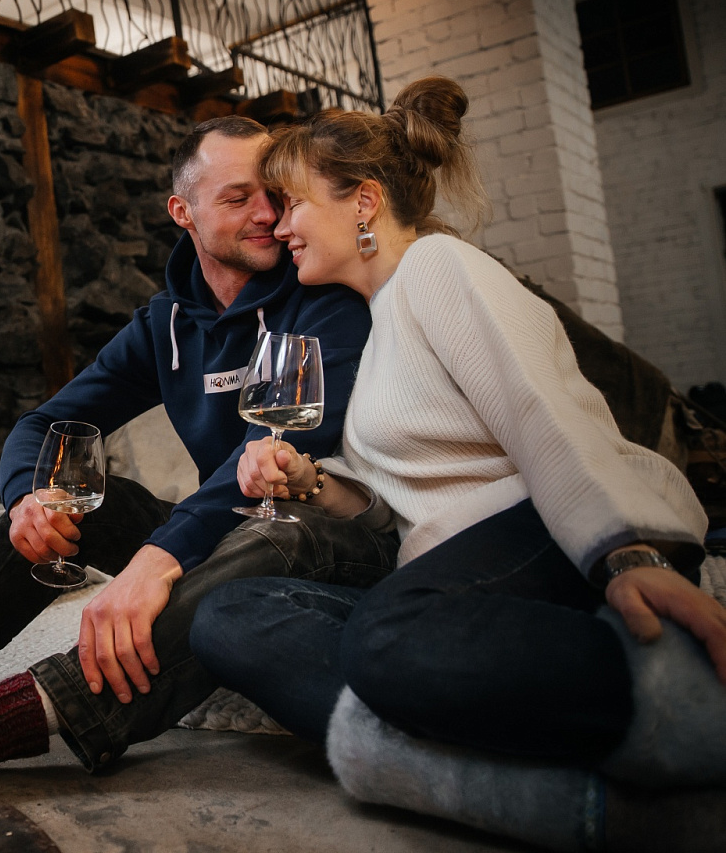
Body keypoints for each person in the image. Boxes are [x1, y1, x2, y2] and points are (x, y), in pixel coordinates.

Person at [0, 115, 389, 789]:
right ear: (182, 212)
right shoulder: (165, 322)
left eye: (274, 194)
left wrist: (157, 563)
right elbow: (47, 424)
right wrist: (31, 499)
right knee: (81, 501)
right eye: (235, 198)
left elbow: (279, 452)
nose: (265, 215)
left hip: (329, 536)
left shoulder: (323, 297)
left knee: (260, 532)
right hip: (231, 529)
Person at [189, 76, 726, 852]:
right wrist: (311, 481)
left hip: (552, 529)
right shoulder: (380, 325)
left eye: (294, 201)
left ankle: (687, 710)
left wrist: (624, 551)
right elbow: (390, 501)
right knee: (232, 618)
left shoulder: (442, 268)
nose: (280, 222)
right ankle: (592, 805)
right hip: (458, 583)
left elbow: (540, 409)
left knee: (388, 635)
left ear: (364, 202)